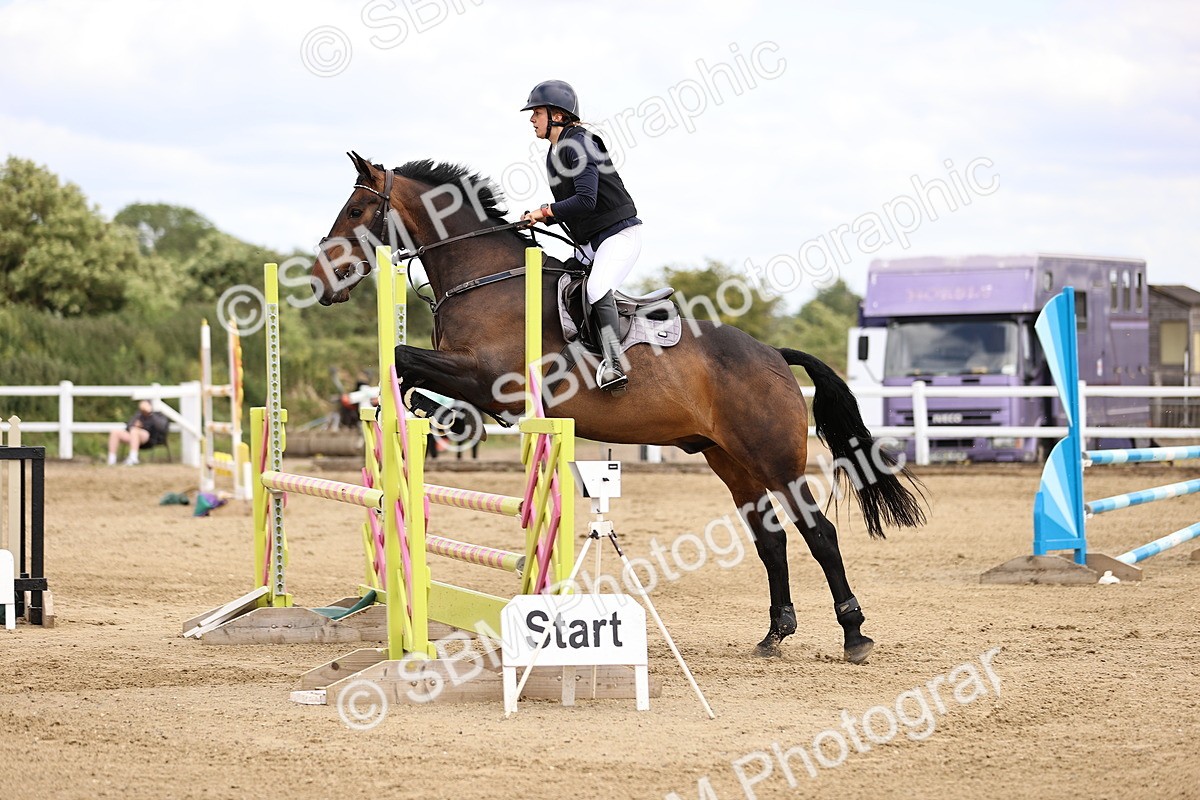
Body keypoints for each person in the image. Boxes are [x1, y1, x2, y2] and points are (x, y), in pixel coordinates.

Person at [520, 80, 642, 393]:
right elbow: (573, 210)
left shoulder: (581, 143)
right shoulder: (553, 154)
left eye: (536, 113)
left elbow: (586, 200)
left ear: (557, 115)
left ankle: (614, 364)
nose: (532, 119)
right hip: (590, 243)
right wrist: (540, 220)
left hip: (618, 236)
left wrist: (544, 212)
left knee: (598, 287)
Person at [107, 400, 170, 466]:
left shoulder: (157, 415)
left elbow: (161, 427)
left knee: (135, 431)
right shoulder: (138, 415)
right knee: (115, 432)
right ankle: (111, 460)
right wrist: (135, 424)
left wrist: (150, 413)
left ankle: (133, 458)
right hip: (134, 437)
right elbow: (128, 426)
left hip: (149, 438)